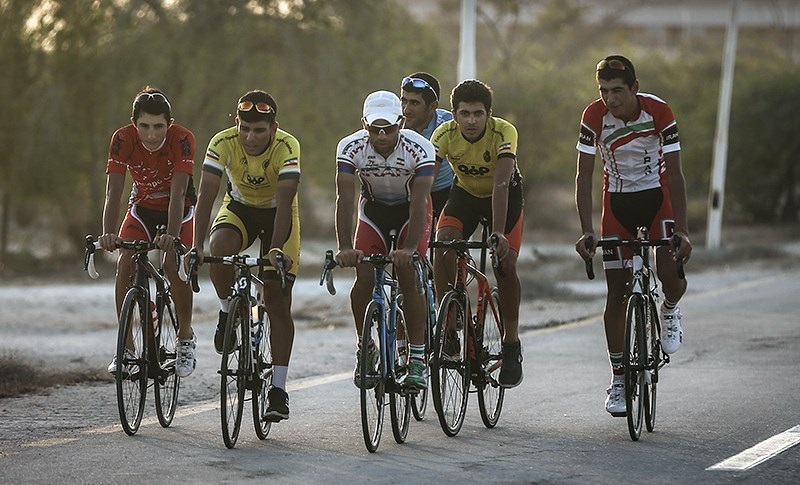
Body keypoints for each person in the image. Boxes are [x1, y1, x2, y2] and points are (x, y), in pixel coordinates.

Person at [573, 55, 693, 415]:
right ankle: (620, 377)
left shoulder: (658, 111)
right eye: (604, 91)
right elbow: (583, 177)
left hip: (659, 199)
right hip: (618, 205)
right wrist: (586, 230)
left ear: (635, 88)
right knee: (617, 292)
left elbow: (674, 174)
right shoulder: (593, 116)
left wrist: (683, 230)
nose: (610, 98)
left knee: (671, 276)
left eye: (618, 91)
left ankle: (669, 309)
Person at [191, 90, 301, 422]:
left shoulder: (287, 146)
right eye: (244, 129)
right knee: (219, 248)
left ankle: (278, 390)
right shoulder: (223, 142)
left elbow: (284, 205)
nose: (250, 137)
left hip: (277, 216)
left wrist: (277, 250)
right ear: (236, 124)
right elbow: (206, 196)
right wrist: (196, 246)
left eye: (259, 130)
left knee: (276, 299)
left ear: (274, 127)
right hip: (238, 209)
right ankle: (228, 312)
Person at [334, 90, 435, 391]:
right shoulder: (350, 147)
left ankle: (417, 357)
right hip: (374, 212)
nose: (380, 135)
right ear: (363, 123)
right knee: (363, 276)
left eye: (388, 128)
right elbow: (345, 199)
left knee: (406, 274)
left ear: (401, 122)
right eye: (374, 128)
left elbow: (420, 203)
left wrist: (409, 249)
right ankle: (365, 348)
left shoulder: (420, 148)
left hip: (410, 212)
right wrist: (343, 247)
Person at [430, 79, 525, 389]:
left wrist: (497, 234)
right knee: (441, 244)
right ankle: (449, 325)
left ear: (489, 114)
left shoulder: (504, 132)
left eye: (478, 114)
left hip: (504, 196)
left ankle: (511, 344)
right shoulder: (443, 135)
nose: (471, 120)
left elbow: (500, 184)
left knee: (505, 264)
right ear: (454, 115)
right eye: (464, 113)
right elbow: (425, 184)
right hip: (465, 195)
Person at [100, 87, 197, 378]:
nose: (151, 134)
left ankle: (185, 337)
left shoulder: (182, 139)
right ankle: (126, 349)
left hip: (179, 209)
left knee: (172, 265)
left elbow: (179, 193)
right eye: (144, 126)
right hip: (142, 207)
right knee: (125, 263)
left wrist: (171, 235)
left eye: (158, 127)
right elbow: (113, 191)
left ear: (169, 124)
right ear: (134, 123)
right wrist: (107, 232)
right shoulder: (122, 139)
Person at [400, 72, 454, 216]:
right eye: (404, 101)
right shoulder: (395, 124)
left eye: (415, 103)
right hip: (408, 192)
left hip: (446, 193)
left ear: (432, 106)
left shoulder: (451, 124)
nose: (406, 110)